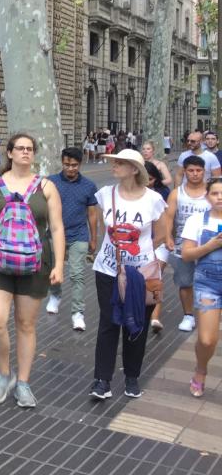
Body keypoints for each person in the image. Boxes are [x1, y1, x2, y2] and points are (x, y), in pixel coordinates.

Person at [0, 133, 65, 408]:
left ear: (35, 154)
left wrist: (58, 264)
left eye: (30, 149)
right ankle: (3, 374)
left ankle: (23, 383)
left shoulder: (46, 187)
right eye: (20, 148)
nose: (25, 153)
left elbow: (57, 227)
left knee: (25, 324)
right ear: (8, 153)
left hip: (35, 264)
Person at [88, 149, 167, 401]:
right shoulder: (105, 194)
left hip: (141, 274)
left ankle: (132, 377)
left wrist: (143, 254)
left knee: (137, 324)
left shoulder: (153, 199)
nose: (114, 166)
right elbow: (104, 230)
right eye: (114, 162)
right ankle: (102, 380)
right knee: (109, 322)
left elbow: (163, 234)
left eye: (120, 163)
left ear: (134, 169)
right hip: (107, 269)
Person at [47, 148, 99, 331]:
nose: (70, 169)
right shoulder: (50, 182)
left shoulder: (88, 186)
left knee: (77, 274)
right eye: (67, 165)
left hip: (79, 235)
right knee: (53, 269)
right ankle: (55, 295)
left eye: (74, 165)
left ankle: (78, 313)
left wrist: (94, 238)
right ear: (62, 162)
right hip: (53, 235)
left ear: (80, 164)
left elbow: (92, 215)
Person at [179, 177, 222, 398]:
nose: (220, 198)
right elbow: (186, 255)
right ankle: (201, 369)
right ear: (207, 196)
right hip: (208, 284)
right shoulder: (197, 221)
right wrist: (211, 245)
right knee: (206, 339)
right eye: (215, 193)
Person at [163, 156, 209, 334]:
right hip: (184, 245)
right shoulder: (177, 193)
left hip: (209, 244)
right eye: (191, 170)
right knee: (185, 281)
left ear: (204, 172)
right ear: (185, 172)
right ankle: (188, 315)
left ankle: (208, 314)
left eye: (199, 170)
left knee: (208, 282)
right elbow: (168, 217)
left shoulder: (211, 192)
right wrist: (168, 236)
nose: (195, 174)